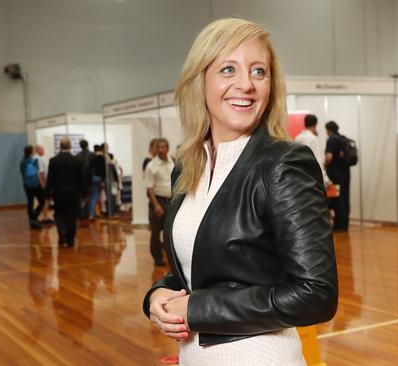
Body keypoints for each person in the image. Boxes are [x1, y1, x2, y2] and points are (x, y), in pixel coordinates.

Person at [142, 18, 337, 365]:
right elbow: (202, 267)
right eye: (228, 69)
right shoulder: (187, 166)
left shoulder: (284, 163)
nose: (246, 84)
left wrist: (200, 308)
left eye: (259, 72)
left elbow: (316, 294)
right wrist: (158, 296)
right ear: (199, 80)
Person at [46, 138, 85, 247]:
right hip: (73, 193)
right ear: (70, 146)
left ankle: (61, 232)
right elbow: (81, 179)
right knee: (72, 216)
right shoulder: (77, 161)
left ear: (60, 146)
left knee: (59, 214)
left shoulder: (53, 161)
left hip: (58, 193)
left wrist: (47, 194)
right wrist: (84, 193)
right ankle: (70, 239)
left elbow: (50, 179)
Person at [144, 138, 174, 267]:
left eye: (163, 147)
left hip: (171, 201)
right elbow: (149, 188)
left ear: (167, 148)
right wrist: (156, 205)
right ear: (155, 149)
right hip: (158, 201)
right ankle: (157, 257)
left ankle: (171, 258)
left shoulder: (172, 162)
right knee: (156, 232)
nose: (161, 149)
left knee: (170, 232)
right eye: (159, 147)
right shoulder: (151, 166)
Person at [325, 120, 352, 231]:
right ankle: (345, 224)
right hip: (346, 174)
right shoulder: (344, 139)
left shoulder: (331, 140)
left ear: (329, 130)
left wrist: (324, 163)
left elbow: (329, 157)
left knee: (337, 199)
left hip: (335, 174)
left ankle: (338, 225)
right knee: (345, 198)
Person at [295, 114, 330, 185]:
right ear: (315, 125)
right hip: (312, 179)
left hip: (300, 178)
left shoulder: (297, 138)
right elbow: (318, 162)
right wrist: (326, 180)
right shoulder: (313, 139)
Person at [19, 145, 44, 229]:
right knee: (42, 201)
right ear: (31, 151)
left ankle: (32, 221)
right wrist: (42, 184)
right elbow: (37, 173)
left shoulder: (22, 162)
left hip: (26, 185)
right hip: (35, 184)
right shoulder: (34, 160)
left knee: (30, 203)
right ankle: (34, 218)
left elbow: (22, 174)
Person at [34, 145, 54, 225]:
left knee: (46, 200)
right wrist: (44, 184)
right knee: (45, 200)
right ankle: (45, 217)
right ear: (39, 150)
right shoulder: (38, 159)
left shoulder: (37, 158)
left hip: (42, 183)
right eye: (43, 149)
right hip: (43, 183)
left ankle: (44, 216)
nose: (44, 151)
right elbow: (41, 173)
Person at [76, 140, 95, 220]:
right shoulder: (92, 155)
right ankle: (88, 213)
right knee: (90, 197)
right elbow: (94, 169)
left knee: (81, 197)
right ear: (87, 145)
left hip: (80, 180)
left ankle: (82, 213)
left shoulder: (77, 156)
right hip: (89, 179)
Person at [88, 144, 106, 219]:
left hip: (92, 178)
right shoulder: (102, 158)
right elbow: (103, 170)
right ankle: (92, 214)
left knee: (92, 196)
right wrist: (103, 181)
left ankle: (92, 213)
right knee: (96, 196)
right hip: (99, 178)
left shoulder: (92, 157)